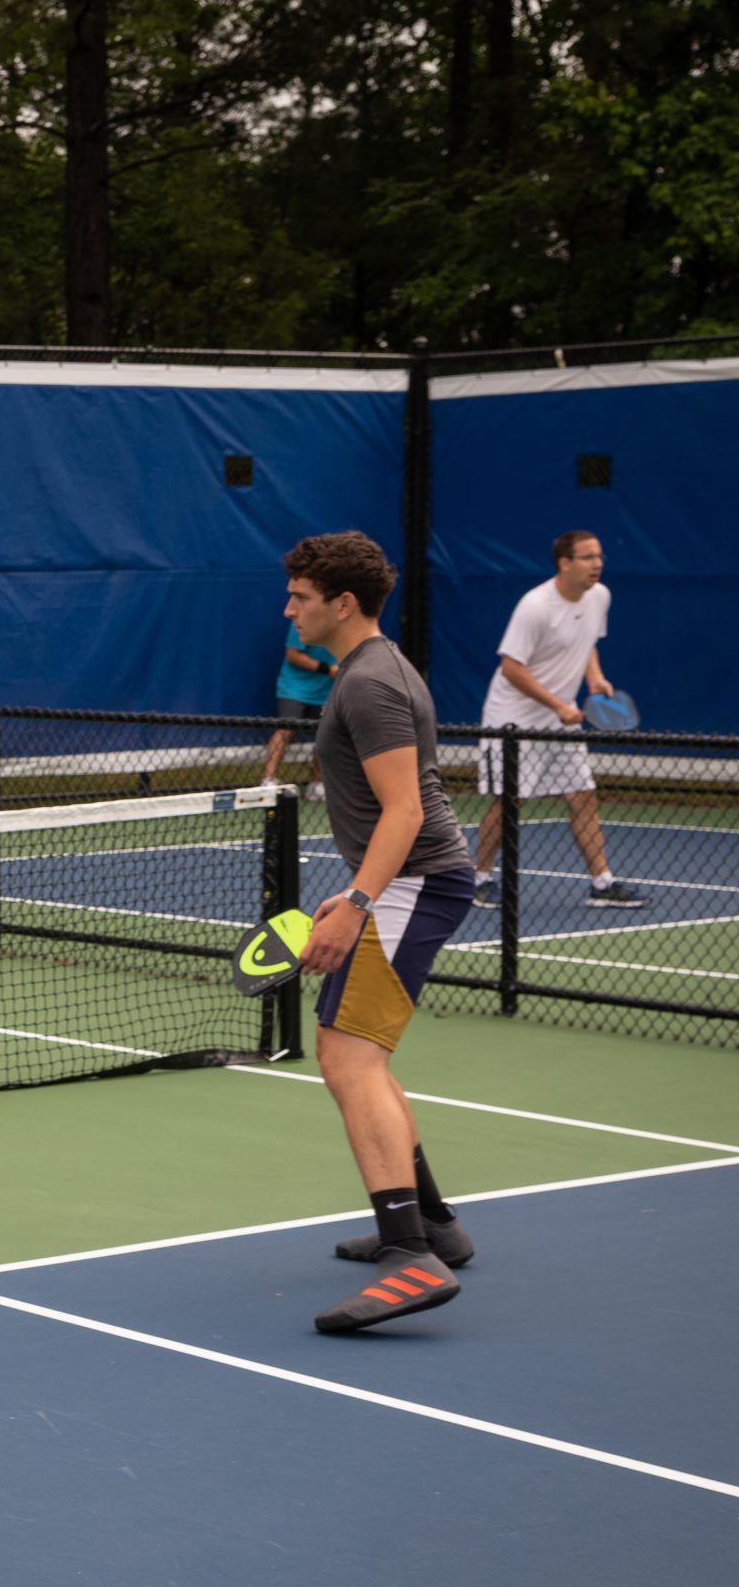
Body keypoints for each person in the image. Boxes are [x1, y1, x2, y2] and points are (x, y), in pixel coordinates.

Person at [281, 534, 480, 1333]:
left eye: (299, 596)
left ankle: (410, 1256)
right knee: (359, 1051)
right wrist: (358, 890)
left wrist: (360, 901)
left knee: (346, 1054)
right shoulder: (370, 671)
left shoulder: (368, 684)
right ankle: (434, 1224)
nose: (288, 608)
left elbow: (406, 809)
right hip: (400, 883)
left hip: (413, 885)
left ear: (343, 603)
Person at [470, 530, 645, 909]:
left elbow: (587, 644)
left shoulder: (599, 597)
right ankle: (477, 879)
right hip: (513, 717)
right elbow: (511, 667)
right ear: (564, 564)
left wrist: (594, 679)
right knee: (509, 800)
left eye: (599, 555)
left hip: (559, 719)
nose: (597, 563)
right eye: (587, 557)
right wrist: (558, 706)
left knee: (583, 795)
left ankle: (602, 883)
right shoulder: (536, 606)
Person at [259, 620, 336, 798]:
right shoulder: (302, 620)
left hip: (325, 690)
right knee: (287, 727)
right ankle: (267, 781)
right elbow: (293, 655)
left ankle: (316, 785)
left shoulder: (345, 624)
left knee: (324, 733)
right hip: (294, 687)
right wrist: (328, 669)